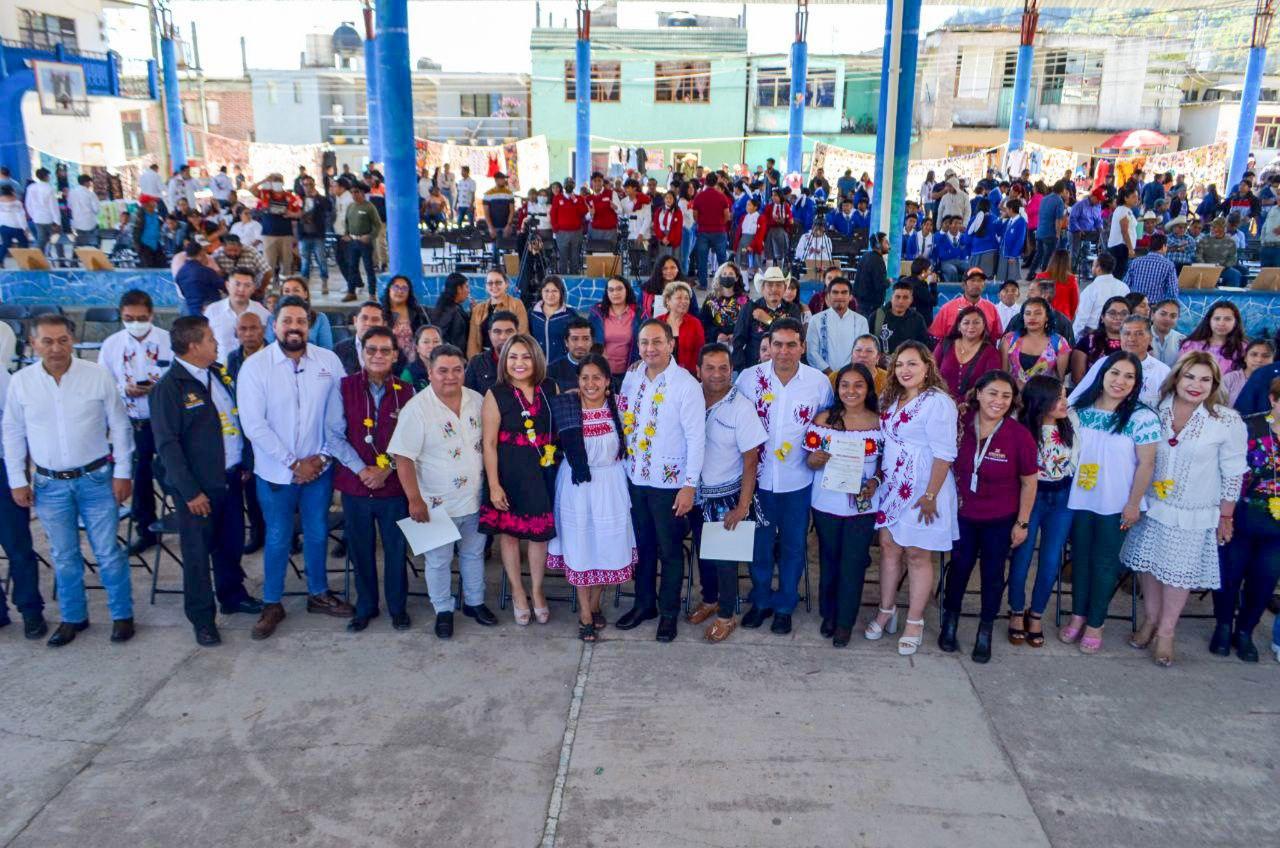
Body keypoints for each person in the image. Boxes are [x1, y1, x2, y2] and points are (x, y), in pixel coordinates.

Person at [2, 315, 135, 647]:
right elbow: (13, 434)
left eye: (62, 340)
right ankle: (74, 617)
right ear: (32, 344)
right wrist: (17, 479)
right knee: (63, 555)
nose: (56, 348)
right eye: (47, 341)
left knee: (107, 551)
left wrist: (123, 473)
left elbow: (120, 426)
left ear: (72, 341)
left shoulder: (97, 376)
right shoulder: (21, 382)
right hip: (49, 485)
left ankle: (122, 615)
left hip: (96, 479)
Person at [237, 296, 354, 640]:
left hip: (319, 469)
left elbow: (340, 415)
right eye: (287, 321)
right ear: (274, 325)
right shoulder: (256, 367)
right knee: (277, 536)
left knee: (318, 532)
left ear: (310, 326)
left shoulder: (329, 361)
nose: (294, 327)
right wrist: (292, 463)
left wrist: (319, 458)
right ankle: (272, 602)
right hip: (276, 472)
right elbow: (254, 426)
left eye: (301, 321)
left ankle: (318, 593)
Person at [1118, 352, 1245, 666]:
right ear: (1177, 377)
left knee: (1177, 574)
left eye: (1205, 379)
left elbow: (1233, 473)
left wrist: (1226, 515)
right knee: (1148, 566)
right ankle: (1149, 619)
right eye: (1190, 377)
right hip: (1152, 505)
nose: (1196, 385)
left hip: (1193, 510)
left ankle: (1167, 632)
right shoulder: (1154, 410)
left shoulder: (1226, 421)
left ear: (1214, 384)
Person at [150, 316, 263, 645]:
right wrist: (190, 492)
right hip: (198, 490)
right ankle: (202, 618)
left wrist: (244, 462)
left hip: (230, 478)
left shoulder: (217, 374)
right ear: (193, 345)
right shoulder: (169, 389)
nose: (217, 343)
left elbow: (233, 421)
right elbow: (168, 446)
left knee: (229, 544)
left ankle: (232, 596)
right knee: (198, 555)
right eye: (211, 339)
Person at [388, 343, 494, 637]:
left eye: (457, 370)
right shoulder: (417, 409)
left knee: (474, 554)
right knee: (438, 560)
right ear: (430, 372)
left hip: (475, 497)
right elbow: (403, 457)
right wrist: (414, 500)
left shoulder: (477, 399)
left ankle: (474, 602)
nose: (450, 376)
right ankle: (443, 610)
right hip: (433, 503)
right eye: (443, 371)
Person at [736, 318, 833, 636]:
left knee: (793, 546)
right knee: (759, 545)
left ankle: (785, 605)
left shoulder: (818, 382)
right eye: (777, 344)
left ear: (802, 347)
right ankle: (761, 599)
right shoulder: (750, 379)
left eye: (792, 344)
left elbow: (828, 422)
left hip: (798, 480)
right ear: (769, 345)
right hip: (758, 481)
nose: (784, 351)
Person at [1062, 351, 1159, 654]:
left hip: (1117, 503)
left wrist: (1133, 504)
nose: (1120, 381)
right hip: (1078, 499)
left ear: (1137, 383)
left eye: (1129, 376)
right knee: (1079, 559)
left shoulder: (1142, 417)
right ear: (1102, 374)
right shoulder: (1078, 409)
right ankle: (1077, 615)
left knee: (1105, 564)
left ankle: (1095, 623)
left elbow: (1146, 464)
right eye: (1115, 373)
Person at [937, 371, 1038, 663]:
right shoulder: (960, 426)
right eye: (993, 393)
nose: (999, 401)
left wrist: (1022, 522)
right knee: (958, 569)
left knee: (993, 576)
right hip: (963, 515)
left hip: (1000, 519)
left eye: (1006, 396)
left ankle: (985, 630)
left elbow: (1030, 482)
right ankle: (950, 622)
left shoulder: (1019, 436)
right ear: (978, 393)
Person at [616, 321, 706, 641]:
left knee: (669, 551)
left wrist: (689, 485)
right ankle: (644, 604)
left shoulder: (686, 385)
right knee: (643, 547)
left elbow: (697, 439)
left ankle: (668, 612)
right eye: (644, 342)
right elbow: (625, 417)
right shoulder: (632, 377)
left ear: (671, 343)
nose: (650, 348)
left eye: (657, 341)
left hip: (669, 484)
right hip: (636, 477)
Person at [324, 324, 416, 632]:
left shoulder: (406, 392)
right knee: (360, 549)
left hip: (393, 487)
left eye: (385, 350)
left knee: (395, 548)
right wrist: (362, 470)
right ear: (362, 353)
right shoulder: (343, 386)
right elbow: (334, 436)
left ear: (394, 355)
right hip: (356, 485)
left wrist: (387, 468)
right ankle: (365, 607)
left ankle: (397, 608)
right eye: (372, 350)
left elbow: (413, 437)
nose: (378, 355)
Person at [871, 342, 958, 655]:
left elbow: (945, 453)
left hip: (923, 488)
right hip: (893, 485)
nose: (905, 371)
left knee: (918, 555)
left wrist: (931, 494)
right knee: (889, 547)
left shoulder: (938, 402)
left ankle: (915, 621)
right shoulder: (892, 397)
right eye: (899, 365)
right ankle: (886, 609)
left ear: (927, 367)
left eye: (912, 364)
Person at [545, 354, 636, 641]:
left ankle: (596, 603)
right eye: (584, 377)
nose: (590, 383)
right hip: (577, 488)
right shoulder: (567, 407)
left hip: (611, 485)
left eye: (597, 377)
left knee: (606, 546)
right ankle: (585, 613)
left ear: (608, 381)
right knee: (581, 547)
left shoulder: (620, 408)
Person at [685, 343, 766, 642]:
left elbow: (751, 459)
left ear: (732, 370)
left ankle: (726, 615)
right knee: (703, 554)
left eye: (723, 368)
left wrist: (743, 505)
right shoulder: (690, 399)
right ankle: (710, 600)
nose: (717, 375)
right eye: (710, 368)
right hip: (695, 493)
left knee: (725, 560)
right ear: (698, 370)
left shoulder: (741, 407)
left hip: (727, 496)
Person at [480, 334, 560, 625]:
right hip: (509, 472)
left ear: (535, 358)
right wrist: (494, 485)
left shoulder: (550, 387)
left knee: (538, 537)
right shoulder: (496, 394)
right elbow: (488, 444)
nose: (519, 363)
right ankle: (517, 591)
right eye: (513, 357)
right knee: (511, 536)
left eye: (525, 356)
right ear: (504, 361)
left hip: (542, 471)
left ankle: (537, 590)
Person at [803, 363, 882, 646]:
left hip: (861, 506)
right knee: (829, 558)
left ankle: (845, 621)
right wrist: (816, 459)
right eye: (845, 385)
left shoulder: (879, 423)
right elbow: (808, 461)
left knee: (854, 562)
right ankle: (829, 613)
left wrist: (874, 482)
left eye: (858, 385)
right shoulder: (824, 419)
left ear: (868, 388)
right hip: (826, 504)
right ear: (837, 389)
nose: (851, 391)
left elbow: (885, 467)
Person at [1004, 375, 1077, 648]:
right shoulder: (1021, 428)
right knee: (1021, 557)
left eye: (1065, 396)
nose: (1064, 402)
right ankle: (1015, 610)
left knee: (1049, 560)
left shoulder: (1071, 424)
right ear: (1041, 400)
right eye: (1058, 398)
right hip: (1031, 498)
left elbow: (1076, 462)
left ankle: (1035, 614)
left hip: (1062, 498)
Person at [98, 290, 171, 556]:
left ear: (151, 315)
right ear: (122, 316)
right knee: (139, 474)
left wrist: (157, 387)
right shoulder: (111, 345)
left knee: (171, 471)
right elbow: (103, 383)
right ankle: (146, 527)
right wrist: (123, 388)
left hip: (162, 419)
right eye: (130, 318)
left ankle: (185, 518)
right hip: (130, 418)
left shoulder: (167, 341)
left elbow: (179, 376)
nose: (136, 322)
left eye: (141, 317)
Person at [1214, 376, 1280, 661]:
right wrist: (1223, 512)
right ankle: (1223, 625)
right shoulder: (1248, 427)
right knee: (1229, 574)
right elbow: (1227, 470)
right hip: (1240, 513)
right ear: (1273, 400)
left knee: (1264, 580)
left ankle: (1245, 631)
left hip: (1276, 525)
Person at [0, 365, 47, 639]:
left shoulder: (2, 378)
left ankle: (30, 610)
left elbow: (15, 427)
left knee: (17, 546)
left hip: (2, 470)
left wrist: (18, 477)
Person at [1071, 315, 1170, 408]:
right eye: (1126, 333)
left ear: (1150, 338)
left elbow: (1167, 408)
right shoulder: (1104, 363)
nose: (1131, 339)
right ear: (1120, 337)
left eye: (1139, 334)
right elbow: (1077, 397)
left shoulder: (1163, 371)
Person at [731, 266, 802, 370]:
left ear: (784, 289)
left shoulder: (792, 309)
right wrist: (742, 370)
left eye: (778, 285)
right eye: (770, 285)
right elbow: (738, 341)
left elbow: (795, 338)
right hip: (754, 367)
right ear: (763, 288)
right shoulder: (750, 307)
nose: (774, 289)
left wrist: (768, 320)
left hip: (784, 367)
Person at [1000, 296, 1071, 388]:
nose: (1032, 317)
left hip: (1044, 397)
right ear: (1023, 317)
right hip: (1013, 395)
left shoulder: (1059, 343)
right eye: (1028, 313)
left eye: (1038, 313)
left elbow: (1059, 379)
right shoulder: (1009, 339)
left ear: (1047, 317)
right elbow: (1003, 374)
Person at [934, 306, 1001, 402]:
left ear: (984, 325)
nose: (971, 326)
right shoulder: (945, 344)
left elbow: (991, 383)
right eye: (966, 323)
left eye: (976, 322)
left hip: (973, 407)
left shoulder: (991, 352)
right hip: (940, 403)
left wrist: (965, 401)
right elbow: (930, 371)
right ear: (959, 326)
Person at [203, 269, 271, 363]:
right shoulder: (212, 311)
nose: (241, 289)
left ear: (253, 288)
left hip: (253, 367)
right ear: (227, 285)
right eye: (237, 284)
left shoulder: (263, 313)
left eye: (247, 285)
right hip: (220, 369)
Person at [807, 277, 869, 376]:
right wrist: (831, 374)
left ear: (850, 297)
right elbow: (811, 353)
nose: (839, 296)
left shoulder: (861, 321)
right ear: (828, 296)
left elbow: (862, 352)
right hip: (823, 376)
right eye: (835, 292)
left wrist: (848, 375)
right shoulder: (816, 320)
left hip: (852, 376)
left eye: (844, 292)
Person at [588, 276, 643, 385]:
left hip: (631, 372)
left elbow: (645, 340)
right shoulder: (597, 313)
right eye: (611, 290)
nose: (615, 293)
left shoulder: (638, 314)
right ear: (607, 293)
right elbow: (589, 340)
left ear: (626, 290)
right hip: (601, 371)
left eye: (619, 289)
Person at [467, 269, 529, 358]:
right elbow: (473, 342)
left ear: (506, 284)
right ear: (486, 286)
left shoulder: (516, 304)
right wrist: (473, 364)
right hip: (485, 359)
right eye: (490, 283)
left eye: (498, 282)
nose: (494, 286)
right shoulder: (478, 309)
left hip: (510, 356)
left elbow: (522, 334)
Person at [928, 267, 1003, 340]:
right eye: (972, 280)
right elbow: (936, 337)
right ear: (963, 285)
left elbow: (996, 337)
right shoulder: (947, 309)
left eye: (980, 280)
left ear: (984, 286)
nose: (976, 284)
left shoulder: (991, 308)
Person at [1069, 295, 1129, 385]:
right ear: (1102, 317)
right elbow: (1077, 378)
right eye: (1112, 313)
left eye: (1124, 314)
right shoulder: (1087, 341)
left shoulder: (1136, 342)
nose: (1118, 317)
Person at [1180, 301, 1247, 375]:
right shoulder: (1191, 345)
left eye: (1228, 319)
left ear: (1235, 323)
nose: (1221, 323)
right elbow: (1181, 373)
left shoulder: (1243, 348)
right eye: (1217, 318)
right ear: (1209, 321)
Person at [267, 275, 334, 350]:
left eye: (296, 290)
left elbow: (326, 349)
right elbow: (270, 347)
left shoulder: (320, 318)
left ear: (305, 294)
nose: (291, 294)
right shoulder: (272, 318)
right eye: (286, 291)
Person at [341, 183, 383, 302]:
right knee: (352, 267)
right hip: (353, 242)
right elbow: (347, 222)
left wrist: (369, 236)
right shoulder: (351, 207)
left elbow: (377, 225)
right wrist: (346, 234)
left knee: (369, 268)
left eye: (357, 192)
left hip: (365, 242)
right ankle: (351, 292)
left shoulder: (369, 207)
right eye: (352, 192)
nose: (354, 194)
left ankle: (372, 294)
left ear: (363, 193)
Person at [690, 174, 733, 288]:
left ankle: (703, 284)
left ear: (705, 182)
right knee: (722, 259)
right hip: (719, 231)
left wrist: (703, 222)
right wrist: (720, 223)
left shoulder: (699, 196)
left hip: (703, 230)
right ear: (716, 182)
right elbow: (727, 216)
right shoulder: (722, 197)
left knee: (702, 259)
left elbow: (695, 215)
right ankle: (724, 284)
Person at [1072, 252, 1128, 336]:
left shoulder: (1091, 289)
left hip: (1095, 334)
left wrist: (1074, 337)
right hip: (1118, 333)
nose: (1092, 268)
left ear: (1098, 268)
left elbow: (1082, 317)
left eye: (1093, 265)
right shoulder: (1124, 287)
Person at [464, 310, 519, 396]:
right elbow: (467, 395)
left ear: (517, 333)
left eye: (509, 331)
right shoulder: (477, 363)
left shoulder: (528, 362)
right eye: (497, 331)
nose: (503, 337)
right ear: (490, 334)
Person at [869, 281, 930, 356]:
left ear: (911, 300)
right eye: (897, 297)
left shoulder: (917, 319)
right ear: (891, 298)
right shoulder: (877, 316)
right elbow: (868, 343)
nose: (901, 301)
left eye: (905, 298)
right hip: (880, 365)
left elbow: (924, 346)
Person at [658, 280, 705, 376]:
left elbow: (700, 351)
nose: (684, 301)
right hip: (660, 374)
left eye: (687, 298)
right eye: (679, 298)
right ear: (668, 301)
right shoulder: (657, 322)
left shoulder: (695, 323)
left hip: (688, 375)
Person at [699, 262, 749, 345]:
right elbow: (703, 322)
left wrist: (737, 335)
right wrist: (716, 334)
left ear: (736, 278)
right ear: (720, 277)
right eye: (724, 274)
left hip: (737, 343)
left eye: (730, 274)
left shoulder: (744, 300)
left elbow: (747, 323)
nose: (727, 276)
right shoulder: (711, 299)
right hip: (715, 344)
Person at [530, 275, 575, 366]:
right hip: (537, 367)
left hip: (562, 367)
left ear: (561, 293)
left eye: (555, 291)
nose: (550, 295)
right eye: (546, 291)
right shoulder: (532, 314)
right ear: (541, 292)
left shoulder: (570, 314)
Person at [296, 176, 331, 293]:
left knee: (321, 259)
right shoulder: (299, 199)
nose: (308, 187)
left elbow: (328, 207)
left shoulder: (320, 199)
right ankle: (304, 285)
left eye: (310, 184)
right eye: (305, 185)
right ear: (302, 186)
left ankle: (324, 283)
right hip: (304, 235)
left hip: (318, 235)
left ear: (314, 185)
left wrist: (316, 197)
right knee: (305, 261)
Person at [547, 315, 595, 392]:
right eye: (575, 339)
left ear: (592, 342)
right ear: (566, 342)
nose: (580, 344)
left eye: (586, 339)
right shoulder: (552, 370)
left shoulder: (602, 367)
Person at [1223, 339, 1274, 405]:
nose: (1259, 360)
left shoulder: (1276, 382)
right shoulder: (1230, 379)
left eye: (1266, 356)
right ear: (1245, 358)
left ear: (1273, 360)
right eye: (1254, 354)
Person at [852, 232, 890, 321]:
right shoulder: (878, 261)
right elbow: (879, 285)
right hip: (870, 306)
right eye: (886, 242)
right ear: (878, 244)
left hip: (861, 304)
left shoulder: (866, 256)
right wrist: (888, 282)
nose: (889, 245)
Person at [430, 273, 471, 352]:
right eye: (466, 287)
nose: (468, 291)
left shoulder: (455, 306)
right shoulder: (448, 310)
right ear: (459, 289)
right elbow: (439, 335)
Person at [1195, 218, 1241, 287]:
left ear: (1222, 229)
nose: (1212, 229)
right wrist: (1205, 266)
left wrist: (1223, 267)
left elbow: (1233, 258)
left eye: (1214, 227)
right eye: (1212, 227)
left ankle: (1230, 295)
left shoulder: (1231, 242)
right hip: (1206, 267)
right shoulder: (1204, 240)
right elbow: (1198, 255)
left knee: (1235, 274)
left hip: (1223, 268)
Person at [1108, 186, 1139, 279]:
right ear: (1126, 198)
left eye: (1137, 196)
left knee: (1120, 274)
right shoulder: (1123, 210)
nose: (1136, 199)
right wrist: (1130, 248)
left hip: (1121, 247)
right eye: (1133, 196)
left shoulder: (1127, 210)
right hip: (1120, 247)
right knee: (1119, 275)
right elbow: (1124, 231)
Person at [400, 325, 442, 392]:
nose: (431, 346)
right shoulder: (408, 373)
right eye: (426, 342)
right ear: (417, 347)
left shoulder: (449, 368)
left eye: (436, 341)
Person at [67, 174, 101, 247]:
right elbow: (96, 209)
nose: (90, 184)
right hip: (89, 222)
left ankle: (76, 257)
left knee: (80, 242)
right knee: (92, 243)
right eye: (89, 182)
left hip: (77, 222)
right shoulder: (90, 194)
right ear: (86, 183)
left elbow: (69, 205)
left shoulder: (72, 192)